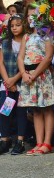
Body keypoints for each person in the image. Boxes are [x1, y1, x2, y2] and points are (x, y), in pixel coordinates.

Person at [17, 6, 54, 155]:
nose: (32, 18)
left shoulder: (47, 34)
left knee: (46, 108)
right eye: (29, 16)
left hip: (42, 75)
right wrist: (23, 73)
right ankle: (39, 142)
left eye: (35, 15)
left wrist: (34, 75)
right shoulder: (26, 36)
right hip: (28, 75)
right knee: (35, 110)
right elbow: (21, 56)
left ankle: (47, 142)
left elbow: (48, 57)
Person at [0, 14, 26, 155]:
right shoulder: (4, 42)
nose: (15, 28)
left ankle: (20, 141)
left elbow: (26, 64)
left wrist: (14, 79)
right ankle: (4, 139)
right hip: (7, 84)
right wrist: (8, 81)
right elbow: (1, 63)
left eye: (18, 25)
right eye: (12, 26)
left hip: (22, 83)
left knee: (21, 112)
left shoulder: (27, 41)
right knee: (5, 111)